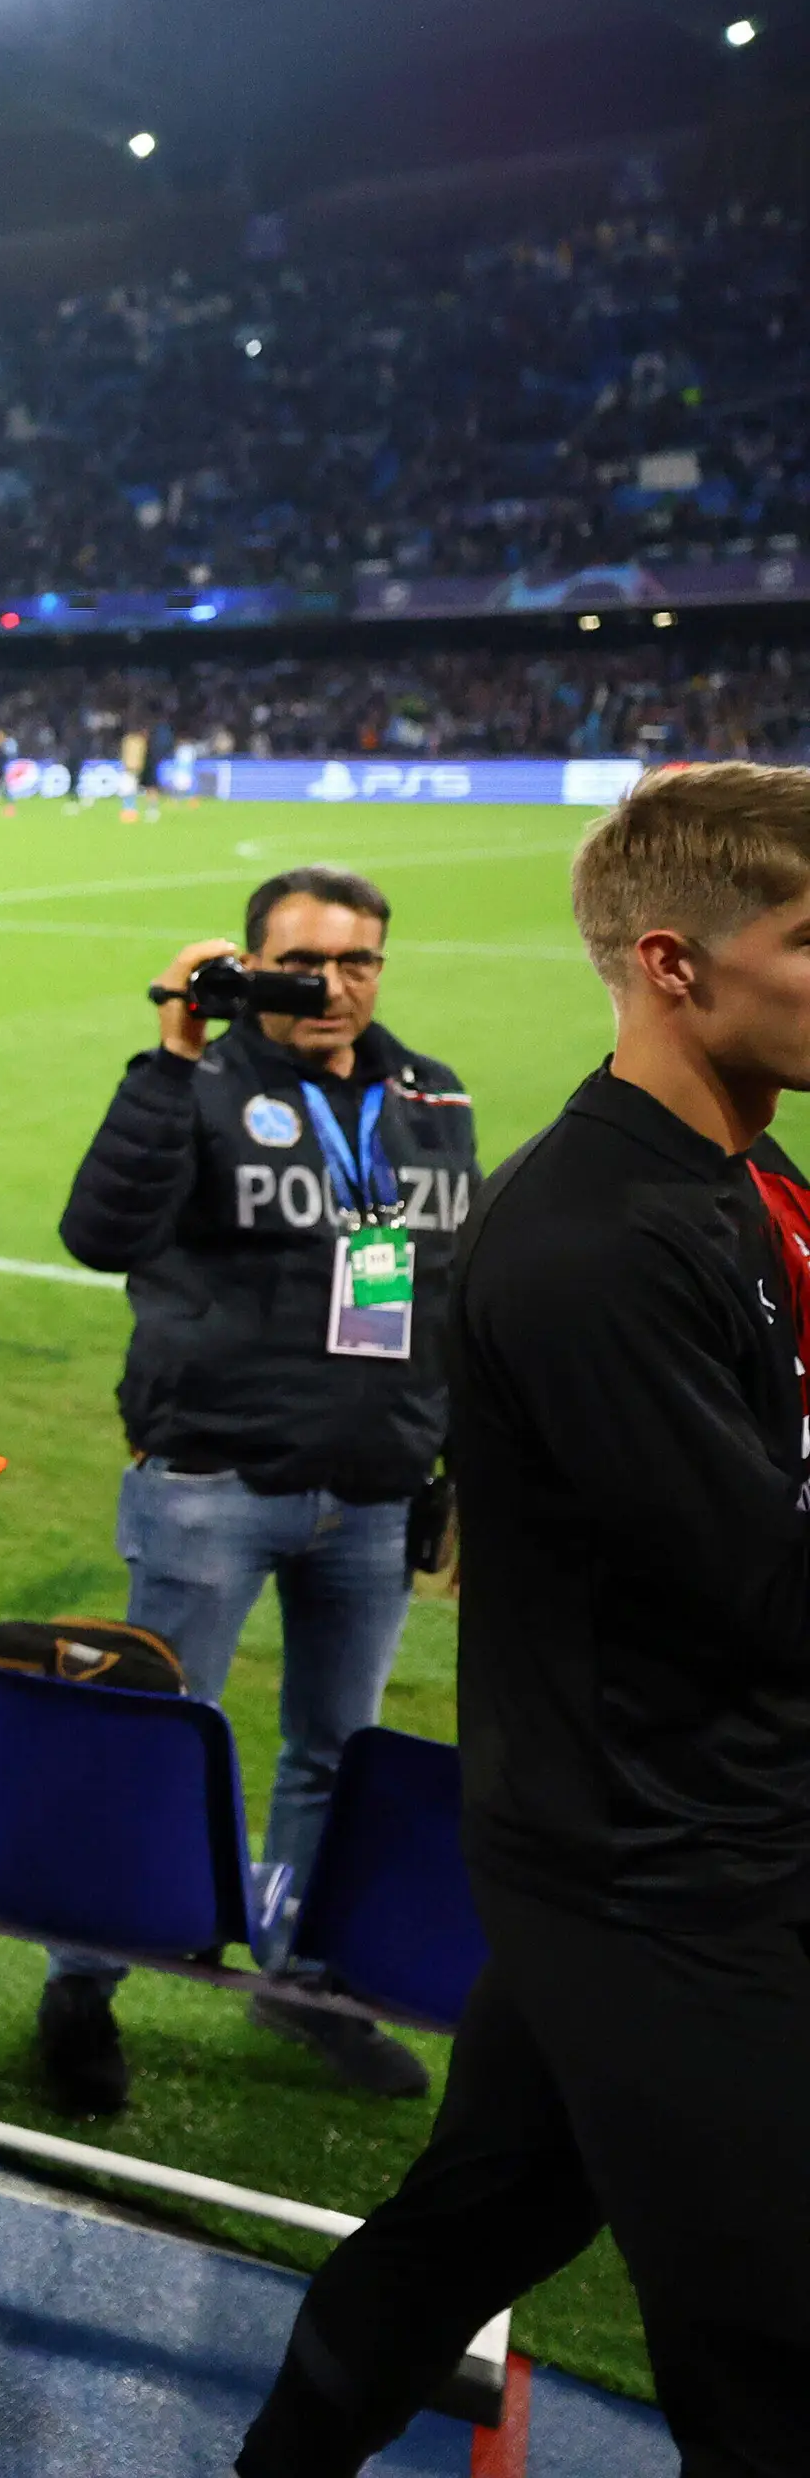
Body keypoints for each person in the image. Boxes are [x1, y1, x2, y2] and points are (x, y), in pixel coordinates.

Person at [237, 761, 810, 2473]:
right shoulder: (591, 1245)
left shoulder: (745, 1177)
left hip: (696, 1827)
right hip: (659, 1870)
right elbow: (767, 1595)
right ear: (673, 962)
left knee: (471, 2224)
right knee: (776, 2346)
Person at [48, 867, 478, 2113]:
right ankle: (83, 1984)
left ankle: (302, 1974)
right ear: (249, 966)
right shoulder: (200, 1081)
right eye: (304, 962)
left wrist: (444, 1455)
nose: (333, 985)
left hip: (377, 1491)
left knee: (336, 1753)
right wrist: (173, 1048)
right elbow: (101, 1230)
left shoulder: (430, 1091)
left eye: (359, 962)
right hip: (213, 1482)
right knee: (147, 1739)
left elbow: (444, 1288)